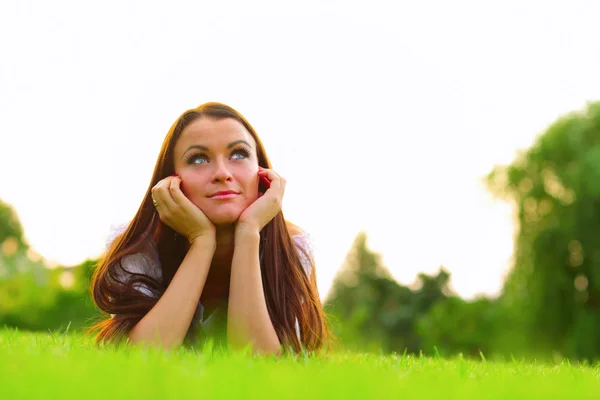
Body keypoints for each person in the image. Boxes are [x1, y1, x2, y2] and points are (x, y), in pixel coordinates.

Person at [89, 102, 330, 355]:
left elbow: (259, 367)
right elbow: (140, 357)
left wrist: (249, 233)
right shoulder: (140, 244)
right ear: (170, 180)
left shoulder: (292, 246)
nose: (222, 173)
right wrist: (202, 240)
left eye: (238, 154)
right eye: (198, 158)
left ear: (262, 171)